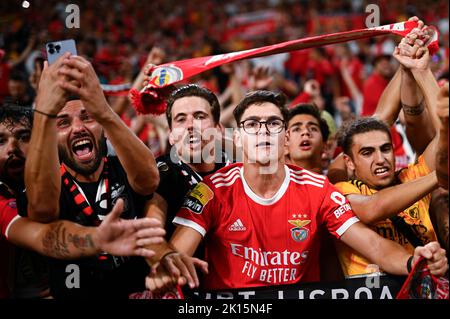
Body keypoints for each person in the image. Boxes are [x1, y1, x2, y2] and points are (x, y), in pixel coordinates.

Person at [145, 90, 447, 293]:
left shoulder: (318, 189)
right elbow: (176, 256)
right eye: (252, 124)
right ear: (237, 136)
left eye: (273, 123)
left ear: (285, 136)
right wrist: (165, 270)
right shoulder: (211, 190)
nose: (263, 131)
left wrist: (414, 261)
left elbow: (374, 245)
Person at [24, 53, 161, 298]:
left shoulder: (123, 166)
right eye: (63, 123)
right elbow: (42, 211)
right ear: (51, 138)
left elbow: (149, 181)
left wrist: (103, 110)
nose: (78, 128)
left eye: (87, 117)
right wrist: (44, 113)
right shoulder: (48, 183)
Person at [0, 104, 165, 298]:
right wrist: (98, 239)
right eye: (63, 122)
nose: (13, 148)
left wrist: (162, 254)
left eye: (24, 137)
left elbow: (153, 195)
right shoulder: (28, 200)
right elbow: (44, 235)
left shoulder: (126, 169)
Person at [334, 117, 439, 276]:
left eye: (385, 149)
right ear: (349, 162)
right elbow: (371, 209)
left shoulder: (411, 178)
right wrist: (438, 177)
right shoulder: (340, 191)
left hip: (427, 286)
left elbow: (444, 136)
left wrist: (415, 90)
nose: (381, 160)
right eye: (367, 153)